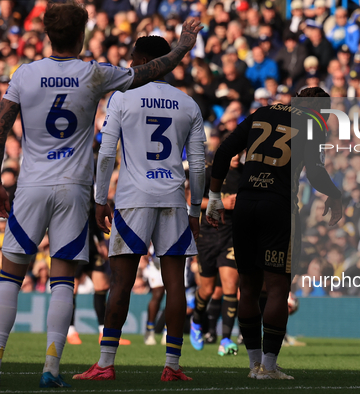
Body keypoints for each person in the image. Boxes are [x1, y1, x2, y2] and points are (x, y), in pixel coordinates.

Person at [0, 2, 201, 388]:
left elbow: (2, 123)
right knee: (63, 279)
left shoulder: (24, 74)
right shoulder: (95, 74)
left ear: (46, 34)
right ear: (82, 36)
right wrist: (182, 46)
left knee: (10, 277)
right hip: (75, 188)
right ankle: (51, 368)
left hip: (31, 186)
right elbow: (149, 71)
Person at [72, 35, 206, 382]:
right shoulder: (188, 103)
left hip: (133, 199)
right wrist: (194, 210)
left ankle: (105, 364)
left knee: (122, 282)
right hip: (174, 199)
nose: (130, 64)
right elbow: (199, 164)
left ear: (146, 60)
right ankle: (173, 367)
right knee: (176, 284)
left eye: (134, 58)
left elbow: (106, 152)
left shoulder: (122, 97)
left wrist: (100, 198)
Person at [205, 87, 342, 379]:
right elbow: (316, 173)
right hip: (278, 206)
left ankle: (254, 364)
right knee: (278, 288)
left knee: (249, 287)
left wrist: (214, 196)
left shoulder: (262, 112)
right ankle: (268, 366)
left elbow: (225, 150)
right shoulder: (313, 123)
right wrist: (335, 194)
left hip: (244, 205)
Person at [190, 154, 241, 357]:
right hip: (208, 237)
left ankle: (226, 340)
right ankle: (196, 322)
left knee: (230, 286)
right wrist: (221, 202)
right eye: (234, 152)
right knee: (207, 289)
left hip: (231, 237)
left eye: (241, 152)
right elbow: (191, 200)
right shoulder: (209, 171)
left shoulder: (246, 173)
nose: (237, 156)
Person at [67, 201, 132, 346]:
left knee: (102, 286)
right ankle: (70, 331)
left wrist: (101, 241)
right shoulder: (77, 199)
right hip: (76, 246)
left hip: (91, 247)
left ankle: (103, 331)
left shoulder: (91, 199)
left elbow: (93, 219)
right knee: (73, 288)